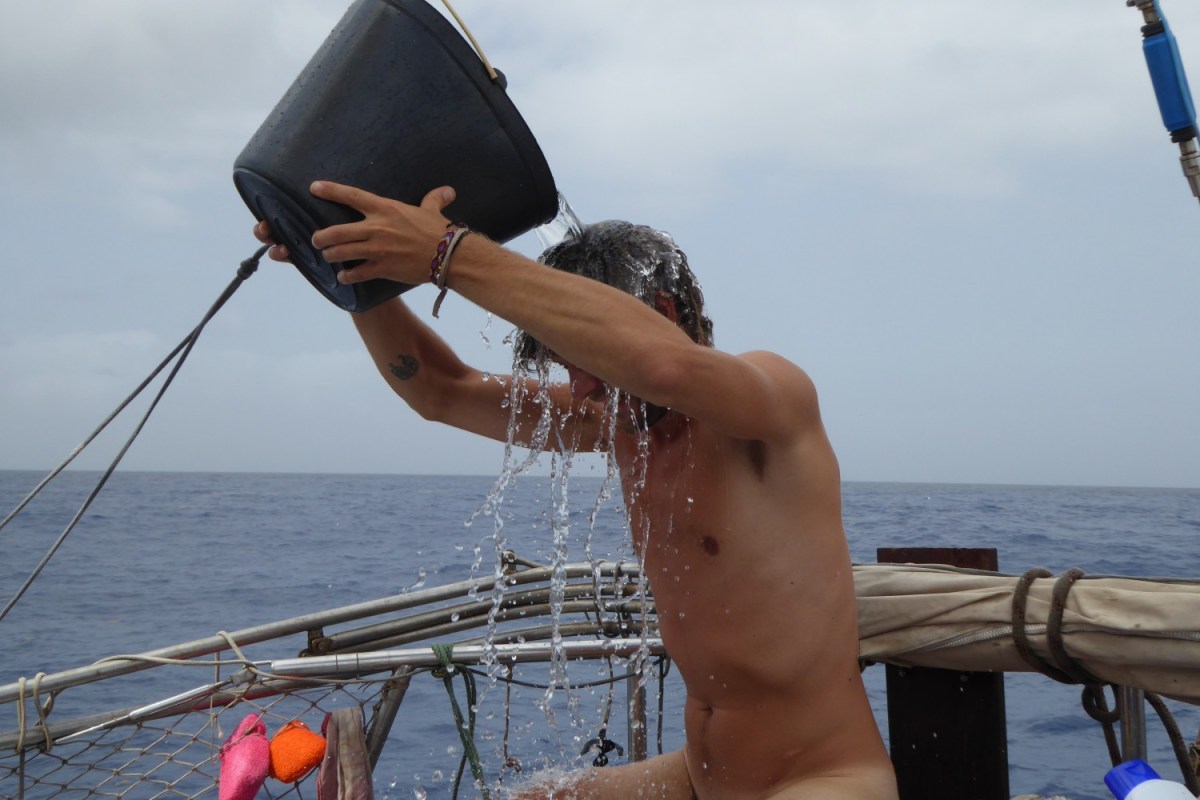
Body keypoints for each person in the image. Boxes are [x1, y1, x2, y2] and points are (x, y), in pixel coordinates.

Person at [254, 181, 898, 800]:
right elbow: (438, 390)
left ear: (664, 315)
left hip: (823, 781)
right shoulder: (617, 419)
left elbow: (663, 365)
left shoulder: (771, 404)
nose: (581, 388)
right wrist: (348, 270)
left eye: (584, 361)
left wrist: (445, 252)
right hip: (700, 778)